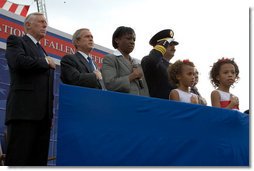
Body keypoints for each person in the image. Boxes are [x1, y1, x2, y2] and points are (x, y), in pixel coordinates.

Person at [4, 12, 56, 166]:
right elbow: (18, 62)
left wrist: (49, 113)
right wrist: (45, 62)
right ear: (27, 25)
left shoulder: (42, 51)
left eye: (45, 23)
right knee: (19, 160)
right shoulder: (16, 41)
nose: (45, 25)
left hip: (43, 118)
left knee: (38, 163)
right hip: (23, 113)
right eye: (40, 22)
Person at [101, 26, 149, 96]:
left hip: (139, 104)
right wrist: (132, 76)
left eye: (134, 39)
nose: (132, 42)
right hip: (122, 103)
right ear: (117, 40)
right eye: (128, 38)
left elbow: (143, 90)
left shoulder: (136, 63)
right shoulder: (110, 58)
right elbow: (110, 84)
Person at [141, 29, 178, 99]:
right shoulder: (148, 59)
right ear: (159, 45)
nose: (174, 48)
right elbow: (152, 61)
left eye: (174, 45)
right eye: (169, 44)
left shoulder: (174, 66)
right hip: (157, 104)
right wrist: (162, 45)